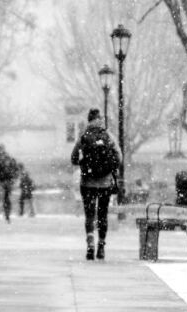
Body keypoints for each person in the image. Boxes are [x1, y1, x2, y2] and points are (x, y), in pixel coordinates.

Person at [71, 108, 121, 260]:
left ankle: (90, 244)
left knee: (89, 215)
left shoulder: (83, 136)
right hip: (105, 183)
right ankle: (101, 245)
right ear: (99, 119)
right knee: (102, 215)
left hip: (87, 182)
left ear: (88, 120)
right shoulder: (107, 136)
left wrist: (84, 163)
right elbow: (119, 157)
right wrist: (110, 168)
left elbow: (73, 158)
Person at [0, 144, 19, 223]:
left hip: (6, 181)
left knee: (5, 199)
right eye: (0, 149)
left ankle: (5, 214)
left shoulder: (6, 159)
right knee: (0, 198)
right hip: (0, 181)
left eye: (1, 149)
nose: (1, 151)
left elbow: (15, 169)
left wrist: (13, 178)